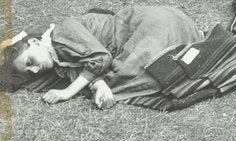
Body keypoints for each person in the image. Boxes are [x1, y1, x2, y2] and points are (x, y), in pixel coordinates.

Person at [0, 6, 205, 107]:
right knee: (135, 74)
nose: (35, 70)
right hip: (133, 41)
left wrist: (67, 93)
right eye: (30, 72)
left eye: (30, 62)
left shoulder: (62, 32)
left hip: (150, 23)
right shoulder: (59, 62)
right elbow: (83, 69)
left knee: (133, 72)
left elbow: (100, 59)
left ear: (35, 42)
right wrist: (98, 84)